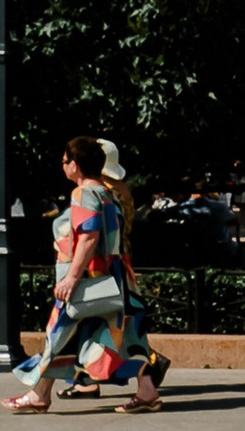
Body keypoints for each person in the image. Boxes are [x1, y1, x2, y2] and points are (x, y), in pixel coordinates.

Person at [11, 136, 163, 413]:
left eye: (65, 161)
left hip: (90, 279)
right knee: (127, 334)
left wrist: (71, 277)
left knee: (58, 332)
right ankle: (147, 391)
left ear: (76, 165)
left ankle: (39, 395)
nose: (63, 166)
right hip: (116, 278)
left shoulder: (83, 194)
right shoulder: (109, 195)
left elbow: (89, 237)